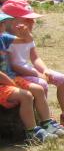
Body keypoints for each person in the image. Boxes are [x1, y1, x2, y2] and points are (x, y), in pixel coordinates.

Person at [3, 0, 64, 127]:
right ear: (10, 22)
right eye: (27, 19)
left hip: (29, 70)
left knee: (62, 79)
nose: (32, 22)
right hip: (18, 75)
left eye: (32, 19)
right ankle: (45, 118)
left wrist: (45, 70)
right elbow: (13, 66)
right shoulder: (6, 40)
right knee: (42, 84)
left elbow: (35, 58)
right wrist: (37, 74)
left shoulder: (27, 37)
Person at [0, 12, 52, 143]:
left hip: (10, 80)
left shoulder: (3, 37)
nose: (3, 26)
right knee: (26, 96)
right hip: (3, 83)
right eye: (1, 24)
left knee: (38, 89)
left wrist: (26, 32)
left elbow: (26, 41)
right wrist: (12, 84)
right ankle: (32, 132)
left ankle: (47, 124)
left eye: (2, 23)